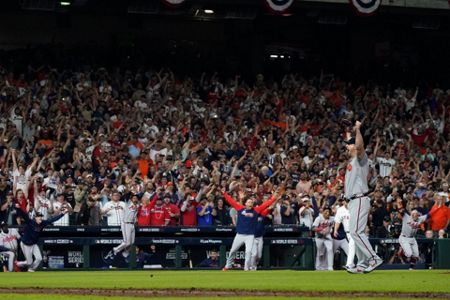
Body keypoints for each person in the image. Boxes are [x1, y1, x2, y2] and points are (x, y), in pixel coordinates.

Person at [344, 121, 382, 274]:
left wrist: (358, 130)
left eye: (349, 144)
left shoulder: (361, 158)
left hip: (359, 199)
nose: (347, 146)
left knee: (356, 233)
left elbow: (359, 146)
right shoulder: (353, 161)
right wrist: (350, 131)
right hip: (354, 201)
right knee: (355, 233)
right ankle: (361, 264)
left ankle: (374, 258)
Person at [222, 189, 282, 271]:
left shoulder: (256, 210)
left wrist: (274, 198)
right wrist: (224, 193)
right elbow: (231, 201)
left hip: (250, 235)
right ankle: (227, 266)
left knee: (249, 252)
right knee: (232, 251)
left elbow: (267, 204)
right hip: (240, 234)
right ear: (245, 203)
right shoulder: (240, 208)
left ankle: (246, 268)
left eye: (251, 202)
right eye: (249, 202)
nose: (250, 203)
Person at [14, 205, 68, 272]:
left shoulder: (43, 223)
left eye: (41, 217)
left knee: (39, 258)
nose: (40, 219)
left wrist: (63, 213)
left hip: (33, 244)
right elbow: (24, 215)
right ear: (35, 218)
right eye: (39, 217)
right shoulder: (30, 222)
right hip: (25, 244)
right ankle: (17, 263)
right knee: (29, 262)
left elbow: (53, 219)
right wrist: (18, 208)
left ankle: (31, 269)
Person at [398, 206, 433, 270]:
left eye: (416, 214)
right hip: (404, 237)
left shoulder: (420, 219)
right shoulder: (406, 217)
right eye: (413, 214)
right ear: (411, 214)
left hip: (412, 238)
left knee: (416, 255)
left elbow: (429, 214)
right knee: (409, 254)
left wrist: (436, 207)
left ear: (418, 215)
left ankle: (411, 268)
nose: (414, 215)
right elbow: (401, 212)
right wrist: (401, 209)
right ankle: (401, 252)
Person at [109, 193, 140, 258]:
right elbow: (126, 196)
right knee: (127, 242)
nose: (135, 199)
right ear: (131, 199)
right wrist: (129, 191)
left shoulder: (137, 205)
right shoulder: (128, 203)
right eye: (134, 198)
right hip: (126, 224)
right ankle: (115, 249)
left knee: (132, 242)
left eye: (136, 198)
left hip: (132, 224)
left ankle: (124, 254)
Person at [333, 200, 355, 270]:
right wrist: (335, 230)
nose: (347, 202)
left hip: (355, 232)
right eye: (345, 201)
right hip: (348, 233)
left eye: (348, 201)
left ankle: (349, 264)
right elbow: (338, 220)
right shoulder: (340, 210)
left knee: (352, 245)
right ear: (343, 202)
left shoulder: (354, 207)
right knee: (354, 247)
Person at [312, 207, 334, 271]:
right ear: (323, 212)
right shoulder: (318, 218)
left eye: (328, 212)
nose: (327, 213)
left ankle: (330, 267)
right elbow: (313, 228)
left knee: (330, 250)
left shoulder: (332, 219)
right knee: (320, 253)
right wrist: (320, 229)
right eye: (326, 212)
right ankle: (318, 267)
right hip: (319, 237)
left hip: (328, 237)